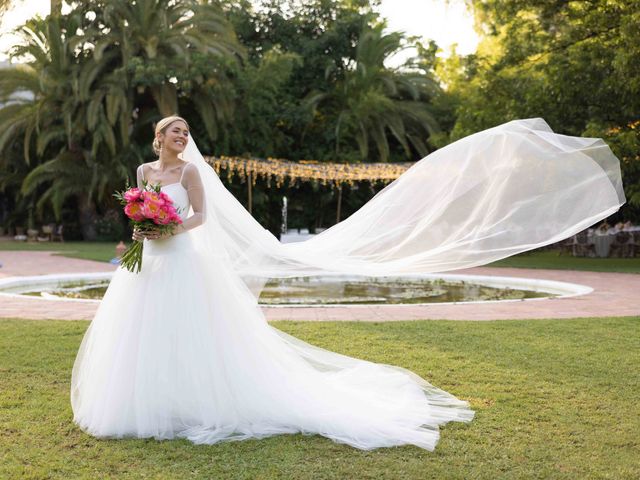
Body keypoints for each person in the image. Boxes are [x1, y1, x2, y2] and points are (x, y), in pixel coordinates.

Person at [71, 116, 625, 451]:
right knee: (145, 333)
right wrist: (144, 225)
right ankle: (153, 403)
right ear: (157, 138)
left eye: (186, 131)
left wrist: (170, 225)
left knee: (196, 334)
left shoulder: (192, 174)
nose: (182, 137)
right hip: (152, 261)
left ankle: (195, 403)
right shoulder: (144, 174)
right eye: (174, 131)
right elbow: (138, 211)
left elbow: (201, 220)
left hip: (184, 256)